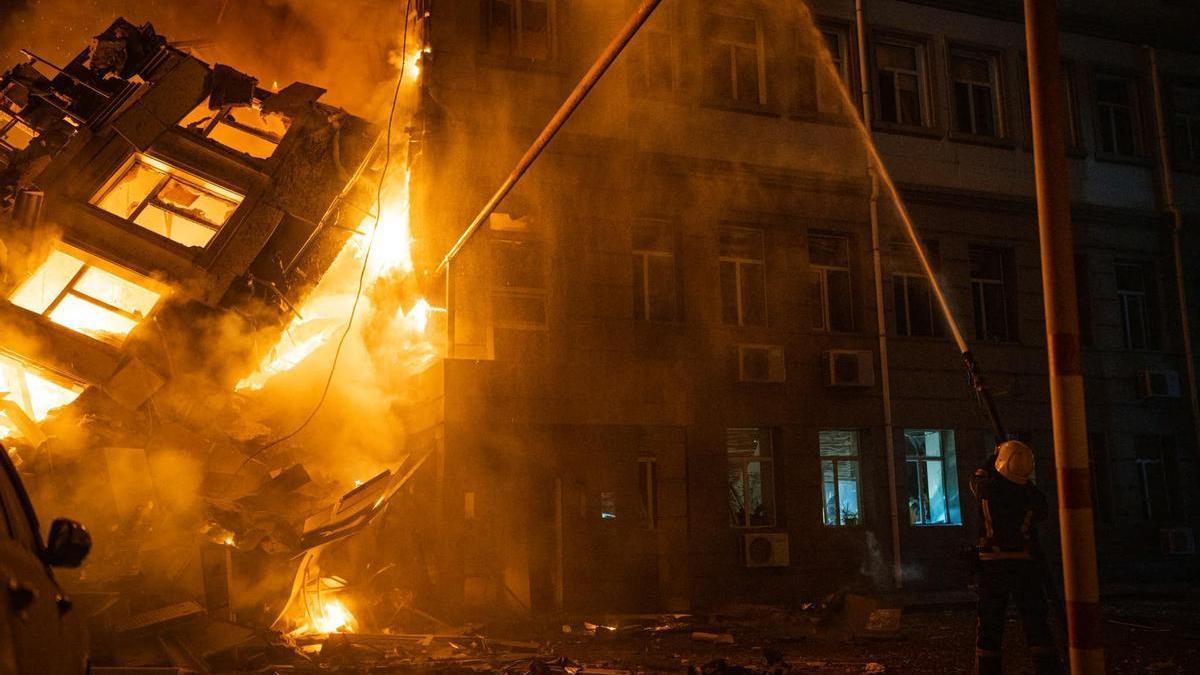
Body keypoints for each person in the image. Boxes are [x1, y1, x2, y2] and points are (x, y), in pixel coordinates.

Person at [970, 440, 1063, 675]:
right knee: (1036, 622)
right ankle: (1048, 669)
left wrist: (995, 455)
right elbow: (1042, 506)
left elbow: (977, 477)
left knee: (990, 626)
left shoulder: (988, 491)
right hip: (1026, 565)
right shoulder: (1031, 497)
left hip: (993, 566)